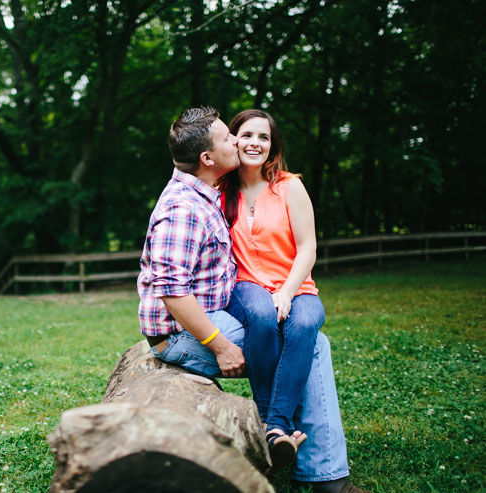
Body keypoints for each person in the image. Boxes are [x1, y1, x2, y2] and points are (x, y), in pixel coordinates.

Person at [138, 106, 366, 493]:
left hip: (209, 313)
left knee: (308, 337)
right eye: (230, 138)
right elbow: (173, 291)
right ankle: (308, 461)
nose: (239, 143)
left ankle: (290, 444)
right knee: (312, 348)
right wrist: (222, 346)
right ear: (208, 158)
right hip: (182, 333)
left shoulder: (207, 189)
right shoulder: (183, 206)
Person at [219, 109, 323, 469]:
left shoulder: (289, 186)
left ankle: (273, 427)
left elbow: (308, 246)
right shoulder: (221, 189)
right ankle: (271, 419)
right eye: (247, 135)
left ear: (272, 146)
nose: (255, 143)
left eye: (263, 137)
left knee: (305, 325)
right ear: (234, 141)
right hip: (246, 286)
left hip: (297, 284)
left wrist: (287, 291)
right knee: (262, 316)